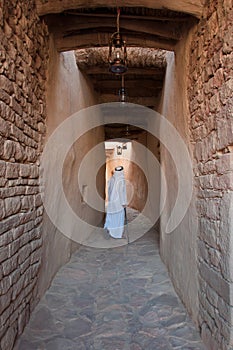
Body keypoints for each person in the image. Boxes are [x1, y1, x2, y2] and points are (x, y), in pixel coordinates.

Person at [104, 166, 127, 239]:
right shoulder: (121, 179)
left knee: (112, 216)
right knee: (119, 218)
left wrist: (110, 199)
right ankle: (117, 234)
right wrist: (123, 202)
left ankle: (110, 230)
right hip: (118, 203)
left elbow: (109, 190)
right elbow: (121, 192)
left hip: (112, 202)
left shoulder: (112, 178)